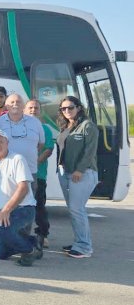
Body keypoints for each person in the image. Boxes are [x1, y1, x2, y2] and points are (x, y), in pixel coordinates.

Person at [0, 129, 42, 267]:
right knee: (0, 253)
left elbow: (23, 188)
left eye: (0, 141)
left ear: (7, 143)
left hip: (23, 209)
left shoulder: (17, 159)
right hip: (4, 210)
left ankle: (29, 251)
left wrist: (6, 210)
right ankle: (31, 242)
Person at [56, 96, 99, 258]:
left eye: (70, 107)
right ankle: (79, 242)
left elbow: (90, 151)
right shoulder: (67, 126)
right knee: (74, 210)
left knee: (77, 209)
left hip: (83, 173)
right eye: (63, 109)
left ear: (79, 108)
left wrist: (80, 170)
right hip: (65, 173)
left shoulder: (88, 126)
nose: (67, 111)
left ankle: (84, 247)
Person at [0, 94, 44, 184]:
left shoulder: (35, 122)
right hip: (5, 171)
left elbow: (41, 144)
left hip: (30, 171)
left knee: (30, 198)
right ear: (6, 105)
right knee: (7, 198)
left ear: (23, 106)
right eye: (12, 102)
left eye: (18, 102)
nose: (15, 104)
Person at [24, 98, 54, 247]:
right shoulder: (20, 127)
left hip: (38, 175)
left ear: (40, 111)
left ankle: (42, 234)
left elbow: (48, 150)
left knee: (39, 206)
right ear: (24, 110)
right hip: (19, 176)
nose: (33, 110)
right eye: (30, 108)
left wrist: (33, 165)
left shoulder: (45, 128)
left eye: (36, 108)